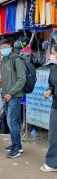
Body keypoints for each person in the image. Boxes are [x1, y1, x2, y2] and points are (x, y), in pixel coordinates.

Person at [0, 39, 26, 158]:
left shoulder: (16, 59)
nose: (5, 49)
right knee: (11, 121)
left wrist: (11, 93)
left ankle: (17, 148)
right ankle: (16, 144)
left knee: (11, 121)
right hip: (7, 95)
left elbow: (22, 79)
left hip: (14, 96)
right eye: (2, 47)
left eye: (7, 46)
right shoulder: (4, 60)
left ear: (11, 47)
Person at [41, 43, 57, 172]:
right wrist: (49, 90)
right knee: (54, 135)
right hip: (55, 106)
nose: (52, 55)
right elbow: (52, 84)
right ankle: (53, 163)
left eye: (53, 53)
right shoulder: (54, 68)